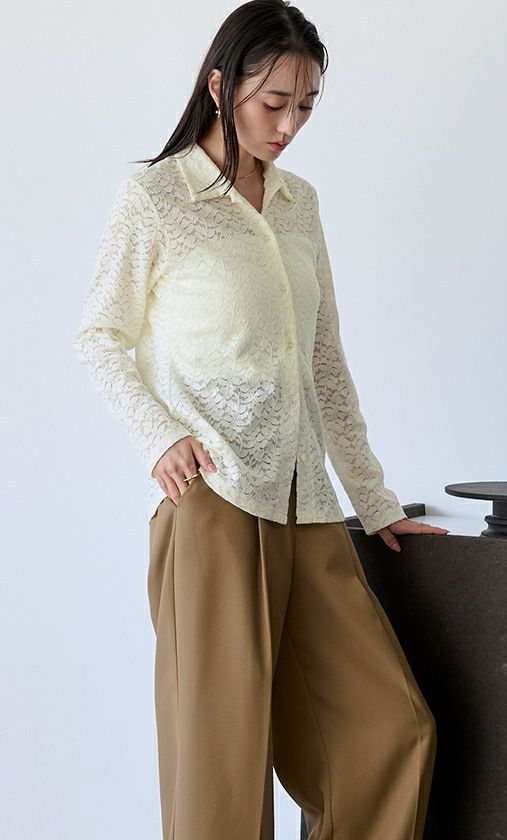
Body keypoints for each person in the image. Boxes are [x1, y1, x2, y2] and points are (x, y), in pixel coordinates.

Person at [73, 1, 449, 837]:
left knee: (391, 733)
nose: (289, 125)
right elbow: (98, 335)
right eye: (274, 102)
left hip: (306, 503)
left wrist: (375, 501)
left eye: (306, 106)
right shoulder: (156, 198)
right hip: (212, 502)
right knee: (223, 775)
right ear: (219, 86)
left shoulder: (298, 204)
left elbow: (325, 363)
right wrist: (158, 435)